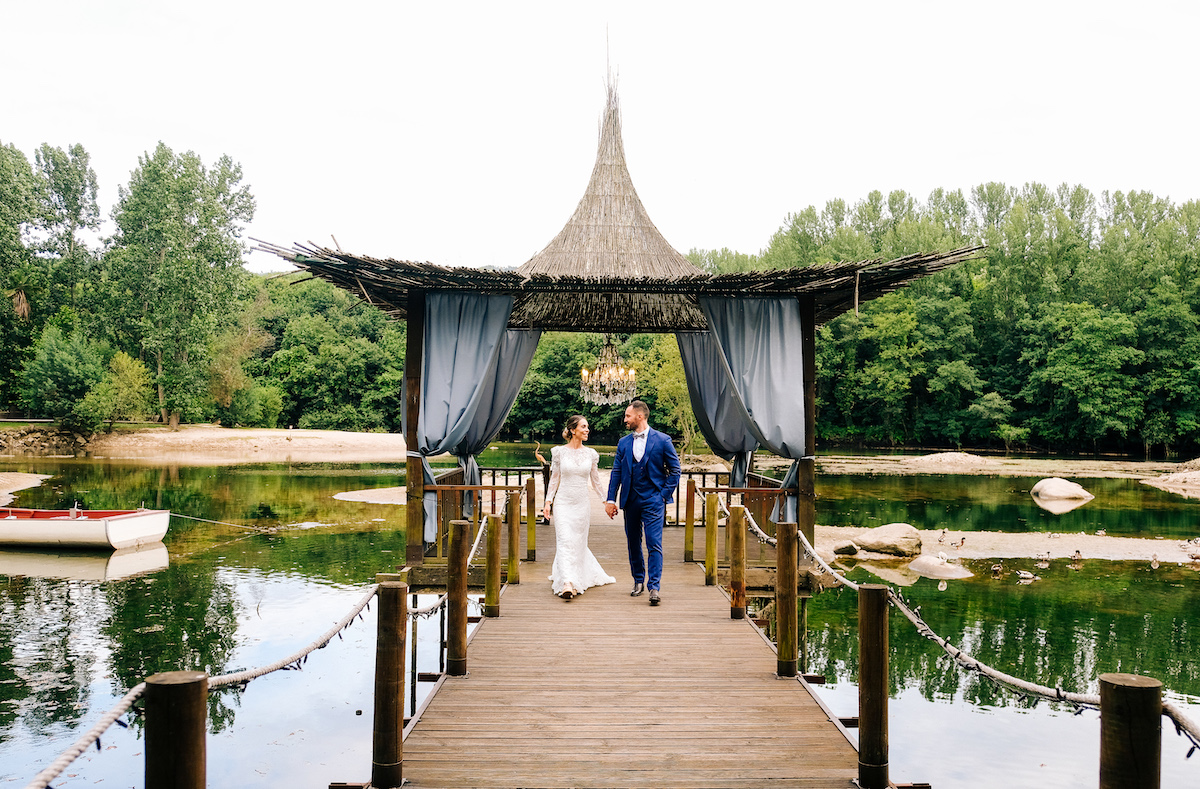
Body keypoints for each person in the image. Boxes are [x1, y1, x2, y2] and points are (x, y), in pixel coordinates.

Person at [605, 400, 681, 606]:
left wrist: (663, 495)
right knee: (633, 542)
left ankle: (654, 587)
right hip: (630, 499)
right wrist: (611, 499)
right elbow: (617, 472)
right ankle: (638, 580)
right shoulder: (623, 443)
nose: (625, 420)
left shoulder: (663, 440)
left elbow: (676, 470)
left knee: (653, 542)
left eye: (628, 416)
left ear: (640, 416)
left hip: (653, 499)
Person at [542, 415, 616, 600]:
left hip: (582, 504)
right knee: (565, 540)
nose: (587, 430)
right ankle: (567, 582)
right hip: (563, 503)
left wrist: (606, 501)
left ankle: (575, 579)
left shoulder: (591, 454)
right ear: (573, 430)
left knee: (577, 543)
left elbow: (596, 481)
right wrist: (548, 502)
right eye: (583, 426)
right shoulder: (559, 452)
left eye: (587, 427)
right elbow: (554, 478)